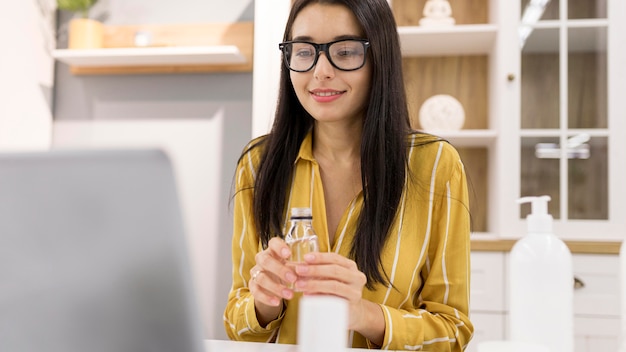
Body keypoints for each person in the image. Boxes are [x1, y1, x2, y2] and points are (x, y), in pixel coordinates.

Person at [223, 0, 473, 350]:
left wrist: (364, 315)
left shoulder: (435, 166)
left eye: (344, 51)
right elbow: (238, 326)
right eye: (304, 51)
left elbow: (453, 331)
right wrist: (264, 304)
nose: (320, 71)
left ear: (379, 59)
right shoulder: (258, 164)